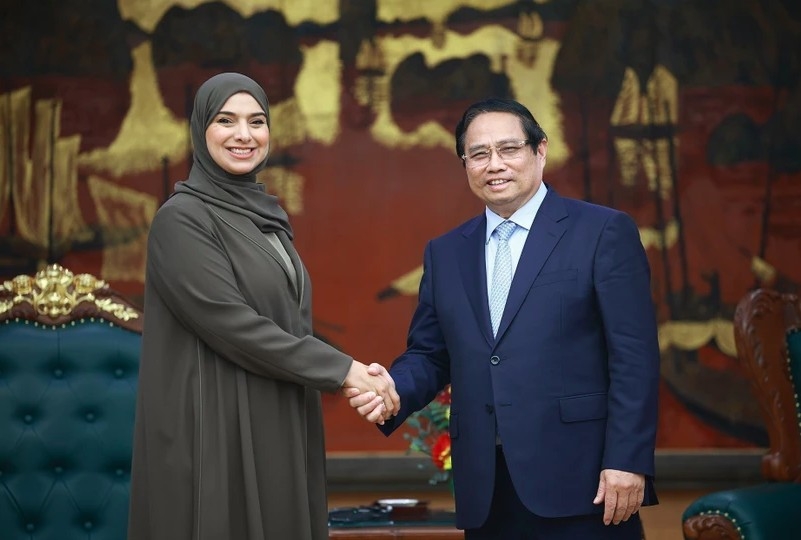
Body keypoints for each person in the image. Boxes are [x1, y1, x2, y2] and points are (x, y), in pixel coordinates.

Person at [346, 97, 660, 539]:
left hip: (586, 483)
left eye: (509, 149)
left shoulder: (602, 232)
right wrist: (391, 392)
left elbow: (635, 357)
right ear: (465, 165)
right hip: (487, 489)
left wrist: (627, 460)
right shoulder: (447, 252)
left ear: (540, 150)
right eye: (478, 154)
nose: (494, 164)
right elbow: (431, 355)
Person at [127, 72, 399, 540]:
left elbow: (287, 322)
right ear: (200, 130)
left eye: (257, 121)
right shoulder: (182, 220)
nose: (244, 135)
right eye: (226, 120)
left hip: (275, 411)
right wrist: (345, 370)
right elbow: (231, 324)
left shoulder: (265, 217)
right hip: (215, 425)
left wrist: (349, 373)